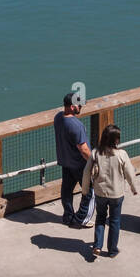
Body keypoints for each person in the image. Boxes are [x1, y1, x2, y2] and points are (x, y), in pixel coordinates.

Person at [80, 124, 138, 259]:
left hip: (100, 192)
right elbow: (130, 173)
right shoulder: (122, 154)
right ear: (115, 140)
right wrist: (133, 188)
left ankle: (97, 246)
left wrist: (85, 190)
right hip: (116, 194)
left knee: (100, 218)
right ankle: (112, 250)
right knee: (114, 221)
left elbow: (86, 172)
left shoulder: (95, 153)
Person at [53, 91, 93, 227]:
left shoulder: (58, 118)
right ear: (71, 106)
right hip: (79, 164)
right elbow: (84, 149)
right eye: (79, 106)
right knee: (89, 192)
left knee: (66, 191)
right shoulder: (76, 125)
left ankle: (68, 216)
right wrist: (94, 162)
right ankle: (81, 218)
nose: (81, 107)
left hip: (65, 162)